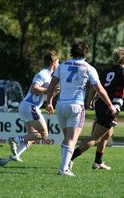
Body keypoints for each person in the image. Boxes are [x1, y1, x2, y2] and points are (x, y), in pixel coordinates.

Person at [69, 47, 124, 171]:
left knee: (107, 133)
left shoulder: (107, 72)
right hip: (110, 108)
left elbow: (96, 88)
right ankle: (69, 159)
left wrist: (91, 99)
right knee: (95, 138)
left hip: (101, 105)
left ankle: (98, 162)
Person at [46, 41, 117, 176]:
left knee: (67, 138)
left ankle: (65, 165)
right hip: (76, 106)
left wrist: (49, 102)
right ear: (86, 53)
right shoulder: (88, 68)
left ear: (72, 52)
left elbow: (52, 84)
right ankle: (64, 168)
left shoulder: (62, 65)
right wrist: (110, 105)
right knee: (71, 139)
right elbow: (100, 89)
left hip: (60, 105)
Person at [8, 50, 59, 162]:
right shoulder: (43, 74)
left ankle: (15, 155)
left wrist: (52, 96)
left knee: (33, 135)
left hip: (27, 106)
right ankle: (15, 139)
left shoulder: (49, 77)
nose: (59, 65)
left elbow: (44, 94)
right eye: (58, 62)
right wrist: (50, 89)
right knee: (44, 134)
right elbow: (34, 88)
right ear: (53, 62)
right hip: (30, 106)